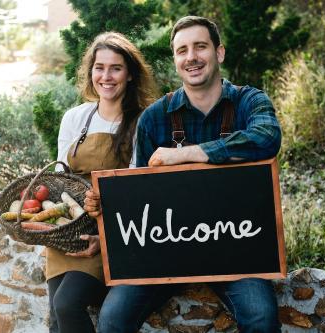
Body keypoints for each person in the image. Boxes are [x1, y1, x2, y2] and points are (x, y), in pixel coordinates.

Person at [85, 16, 282, 332]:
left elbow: (268, 138)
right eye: (182, 50)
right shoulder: (154, 118)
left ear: (219, 53)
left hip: (236, 257)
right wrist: (104, 207)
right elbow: (138, 196)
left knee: (261, 316)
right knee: (112, 318)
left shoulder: (250, 101)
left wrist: (187, 154)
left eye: (200, 47)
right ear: (176, 60)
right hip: (166, 256)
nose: (191, 57)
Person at [48, 31, 158, 333]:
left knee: (67, 304)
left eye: (116, 68)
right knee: (56, 318)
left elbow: (140, 190)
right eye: (100, 67)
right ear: (90, 71)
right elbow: (61, 179)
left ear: (131, 74)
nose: (106, 76)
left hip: (114, 231)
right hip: (69, 229)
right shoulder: (75, 118)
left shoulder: (143, 121)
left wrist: (107, 238)